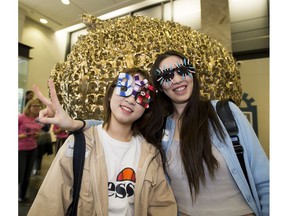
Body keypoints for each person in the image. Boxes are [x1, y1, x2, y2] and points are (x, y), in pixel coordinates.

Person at [33, 51, 269, 216]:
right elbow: (117, 125)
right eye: (166, 76)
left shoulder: (225, 114)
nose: (176, 79)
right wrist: (76, 124)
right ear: (160, 87)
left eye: (181, 70)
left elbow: (266, 182)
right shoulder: (159, 130)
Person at [28, 68, 177, 215]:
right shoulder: (78, 144)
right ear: (110, 94)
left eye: (141, 96)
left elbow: (162, 207)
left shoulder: (151, 154)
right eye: (125, 88)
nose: (131, 100)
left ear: (146, 108)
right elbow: (49, 203)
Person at [18, 98, 43, 203]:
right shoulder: (21, 118)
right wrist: (21, 136)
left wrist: (38, 135)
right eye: (34, 106)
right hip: (21, 149)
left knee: (27, 175)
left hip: (33, 149)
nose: (36, 108)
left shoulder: (38, 119)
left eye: (38, 106)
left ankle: (22, 196)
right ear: (29, 106)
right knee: (19, 174)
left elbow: (38, 133)